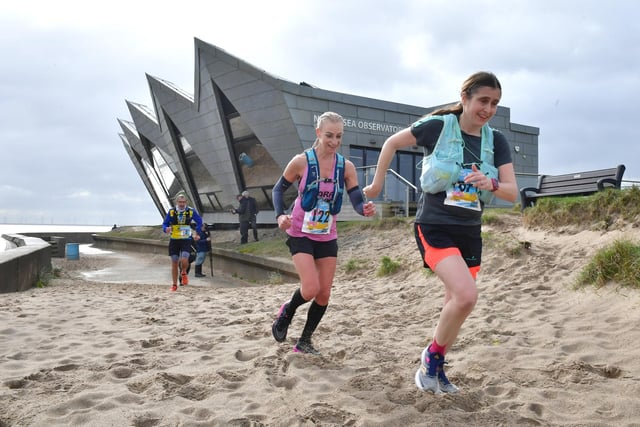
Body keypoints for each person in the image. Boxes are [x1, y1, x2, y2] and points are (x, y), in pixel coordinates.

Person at [363, 72, 518, 394]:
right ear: (465, 98)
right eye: (483, 101)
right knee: (466, 297)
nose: (488, 109)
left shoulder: (496, 140)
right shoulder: (438, 127)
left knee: (455, 306)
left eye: (495, 103)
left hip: (470, 232)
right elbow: (392, 142)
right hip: (435, 226)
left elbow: (512, 193)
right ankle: (431, 357)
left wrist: (490, 183)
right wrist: (377, 184)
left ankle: (435, 368)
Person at [270, 111, 376, 355]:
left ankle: (304, 341)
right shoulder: (301, 162)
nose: (334, 141)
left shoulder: (345, 166)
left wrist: (364, 209)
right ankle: (288, 309)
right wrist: (280, 216)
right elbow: (278, 190)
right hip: (300, 233)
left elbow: (356, 196)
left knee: (324, 293)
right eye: (329, 135)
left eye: (339, 136)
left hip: (327, 235)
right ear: (318, 133)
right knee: (310, 288)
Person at [162, 194, 203, 292]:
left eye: (183, 202)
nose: (182, 204)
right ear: (177, 202)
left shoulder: (191, 211)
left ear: (186, 202)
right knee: (174, 261)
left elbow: (200, 221)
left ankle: (184, 272)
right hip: (174, 239)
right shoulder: (172, 211)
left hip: (186, 238)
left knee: (185, 258)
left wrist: (197, 232)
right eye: (180, 202)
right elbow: (165, 223)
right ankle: (174, 285)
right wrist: (166, 229)